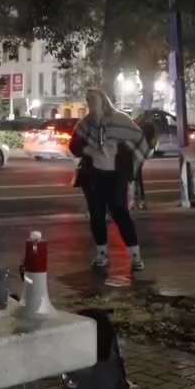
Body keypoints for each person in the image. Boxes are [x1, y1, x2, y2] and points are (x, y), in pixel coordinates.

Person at [68, 88, 148, 272]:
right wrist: (88, 150)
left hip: (116, 175)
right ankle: (102, 255)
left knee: (121, 213)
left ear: (104, 101)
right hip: (94, 175)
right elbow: (73, 146)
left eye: (93, 101)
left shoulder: (120, 120)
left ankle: (136, 257)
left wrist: (133, 168)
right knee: (96, 215)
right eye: (88, 101)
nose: (90, 105)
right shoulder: (86, 124)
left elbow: (139, 139)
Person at [132, 111, 159, 211]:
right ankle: (139, 200)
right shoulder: (150, 126)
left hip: (137, 153)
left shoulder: (139, 126)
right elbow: (153, 141)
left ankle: (138, 200)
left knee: (135, 176)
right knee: (136, 176)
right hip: (141, 152)